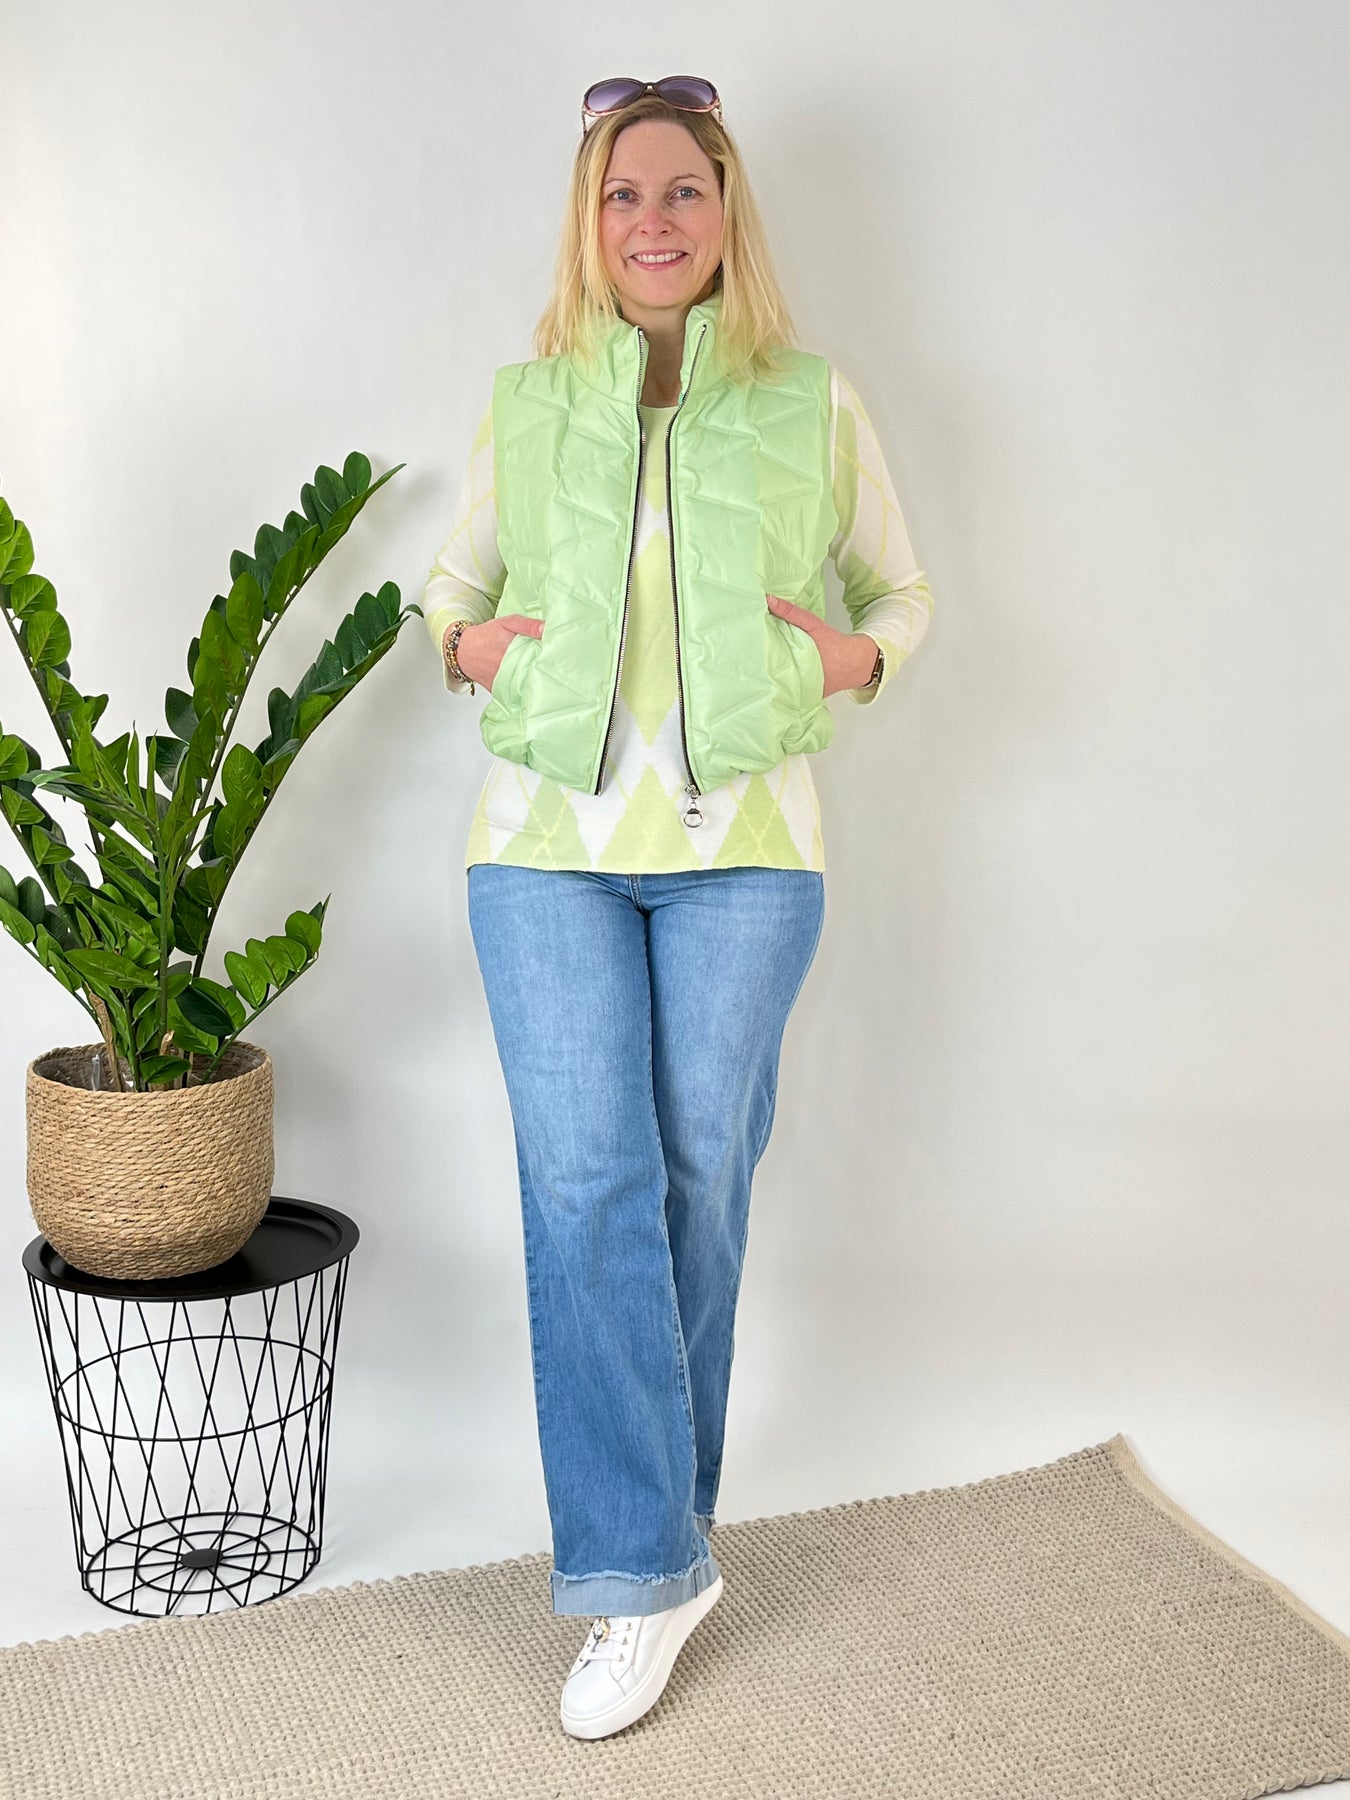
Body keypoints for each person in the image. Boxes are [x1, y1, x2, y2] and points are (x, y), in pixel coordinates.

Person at [420, 75, 934, 1741]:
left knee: (699, 1183)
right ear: (589, 221)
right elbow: (451, 589)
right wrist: (467, 645)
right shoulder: (527, 401)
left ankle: (661, 1547)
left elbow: (900, 591)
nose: (653, 221)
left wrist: (852, 659)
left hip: (749, 847)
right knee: (588, 1179)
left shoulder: (809, 400)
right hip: (542, 847)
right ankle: (642, 1572)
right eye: (622, 194)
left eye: (683, 191)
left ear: (725, 214)